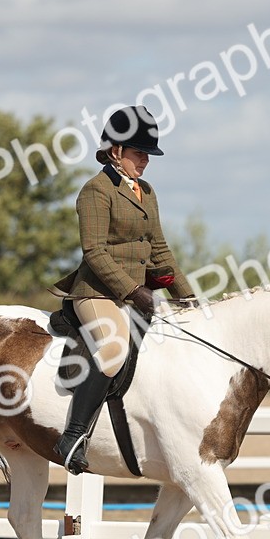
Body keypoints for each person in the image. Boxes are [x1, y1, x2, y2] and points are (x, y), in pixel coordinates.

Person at [51, 105, 195, 473]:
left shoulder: (146, 191)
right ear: (116, 151)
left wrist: (187, 296)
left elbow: (159, 248)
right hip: (96, 294)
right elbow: (94, 252)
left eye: (147, 154)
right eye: (139, 153)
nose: (145, 161)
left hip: (135, 295)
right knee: (114, 350)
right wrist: (134, 290)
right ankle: (74, 436)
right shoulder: (95, 192)